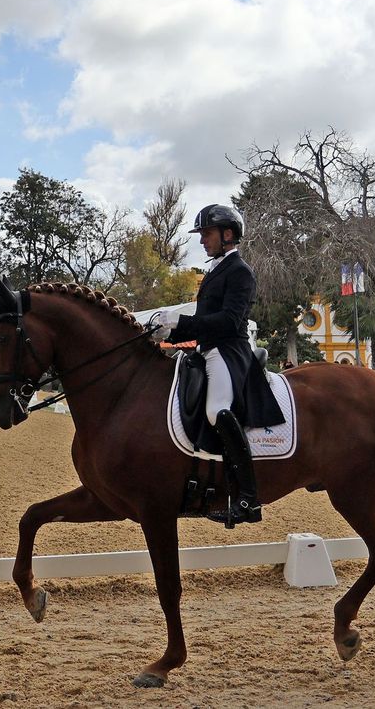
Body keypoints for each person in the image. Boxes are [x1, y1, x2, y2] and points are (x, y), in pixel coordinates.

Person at [149, 204, 284, 527]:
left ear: (227, 234)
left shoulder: (240, 272)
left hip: (229, 351)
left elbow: (227, 321)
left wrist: (182, 321)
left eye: (206, 234)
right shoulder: (214, 271)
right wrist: (170, 329)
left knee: (217, 410)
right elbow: (203, 321)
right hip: (207, 348)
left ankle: (249, 499)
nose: (202, 241)